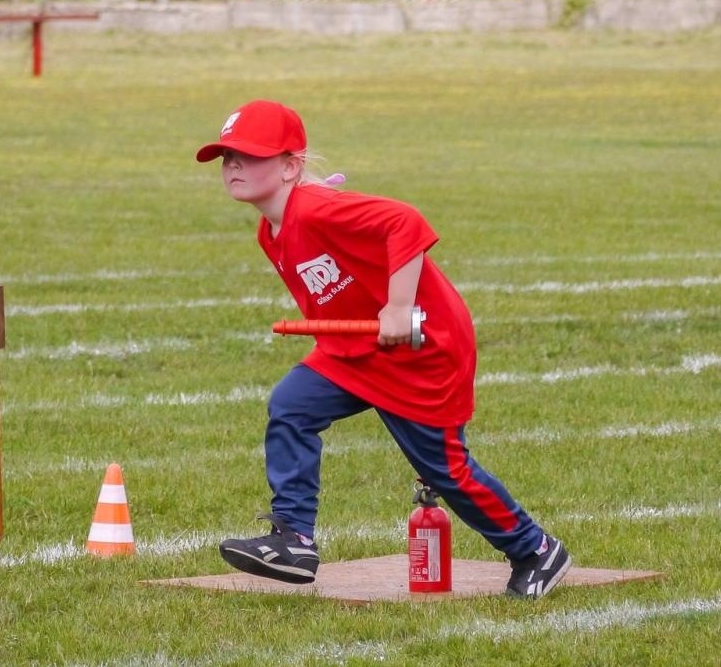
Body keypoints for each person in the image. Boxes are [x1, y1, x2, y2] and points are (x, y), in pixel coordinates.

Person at [195, 99, 573, 599]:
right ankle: (294, 539)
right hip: (357, 350)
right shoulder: (271, 230)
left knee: (446, 470)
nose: (234, 166)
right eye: (227, 157)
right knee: (291, 406)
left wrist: (397, 306)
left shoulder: (317, 207)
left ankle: (536, 549)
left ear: (291, 166)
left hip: (422, 348)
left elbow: (405, 223)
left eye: (250, 156)